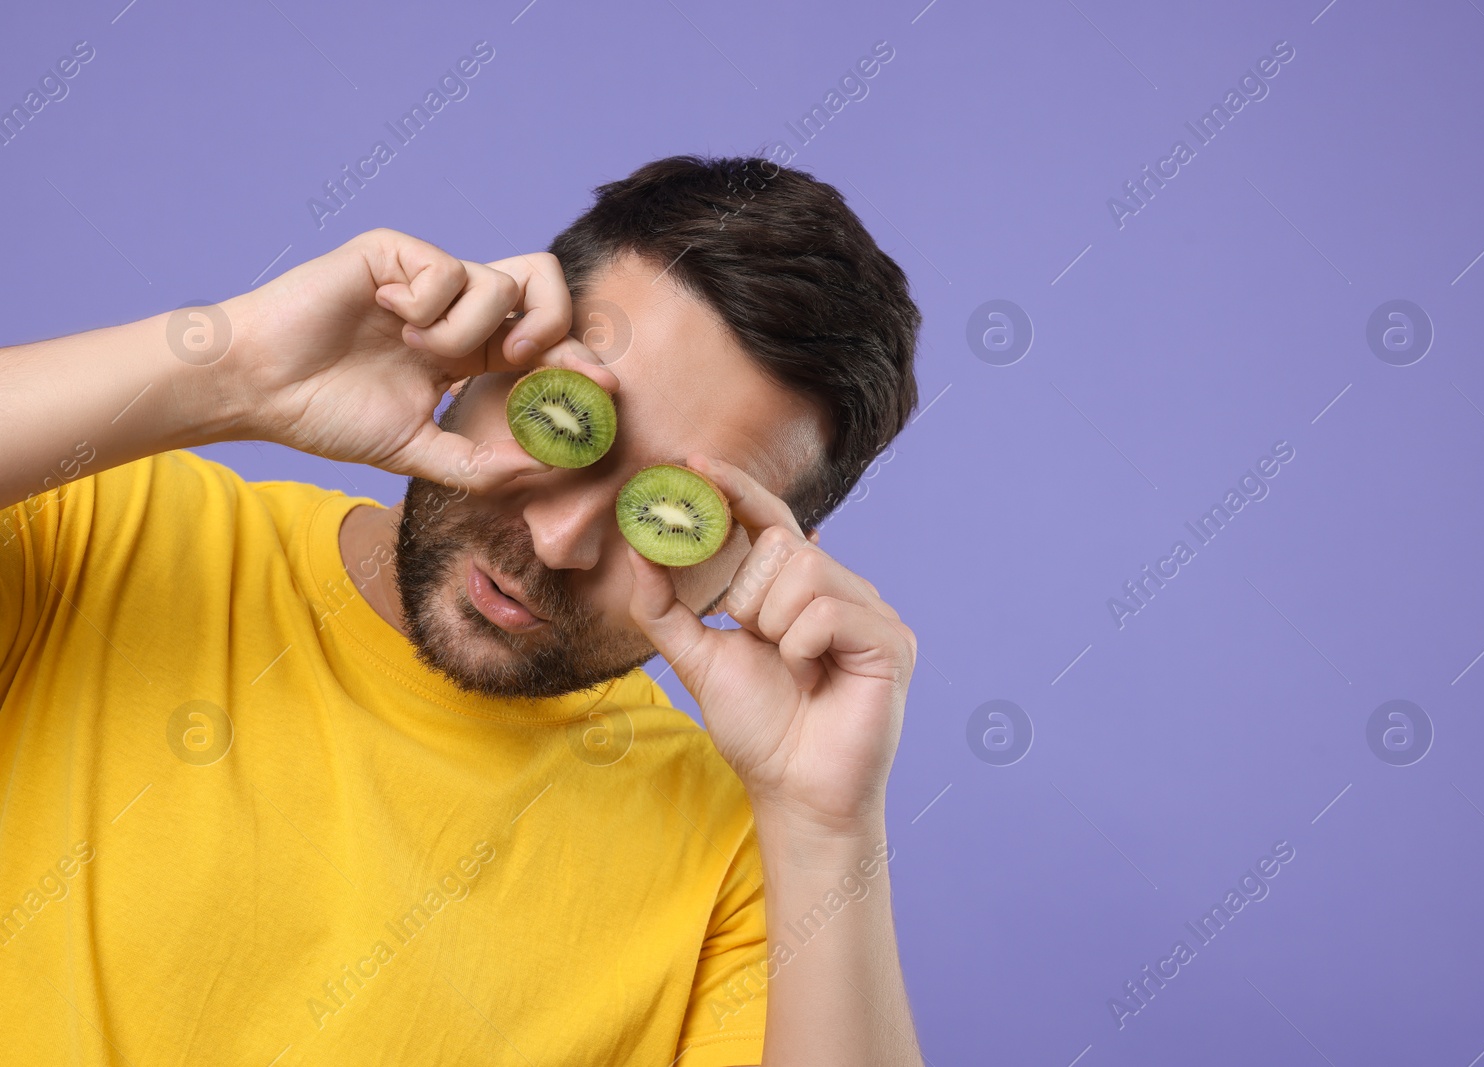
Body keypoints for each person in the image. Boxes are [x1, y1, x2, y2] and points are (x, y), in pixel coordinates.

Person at [0, 156, 924, 1065]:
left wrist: (827, 828)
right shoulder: (102, 530)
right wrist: (231, 373)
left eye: (671, 516)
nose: (562, 539)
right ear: (487, 357)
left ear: (751, 564)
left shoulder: (750, 867)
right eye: (568, 424)